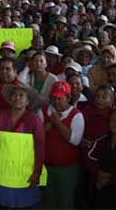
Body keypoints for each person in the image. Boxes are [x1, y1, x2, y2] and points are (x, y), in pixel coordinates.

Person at [0, 84, 45, 209]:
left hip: (25, 176)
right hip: (2, 174)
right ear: (10, 99)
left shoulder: (34, 120)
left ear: (28, 101)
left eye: (21, 95)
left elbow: (40, 148)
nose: (17, 98)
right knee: (3, 205)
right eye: (14, 95)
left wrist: (36, 172)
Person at [41, 81, 85, 210]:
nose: (56, 102)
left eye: (60, 98)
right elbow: (36, 137)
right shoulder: (43, 111)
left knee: (65, 200)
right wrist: (47, 126)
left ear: (68, 98)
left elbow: (74, 140)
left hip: (68, 168)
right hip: (46, 166)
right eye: (54, 98)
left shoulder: (76, 115)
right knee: (48, 199)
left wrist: (55, 122)